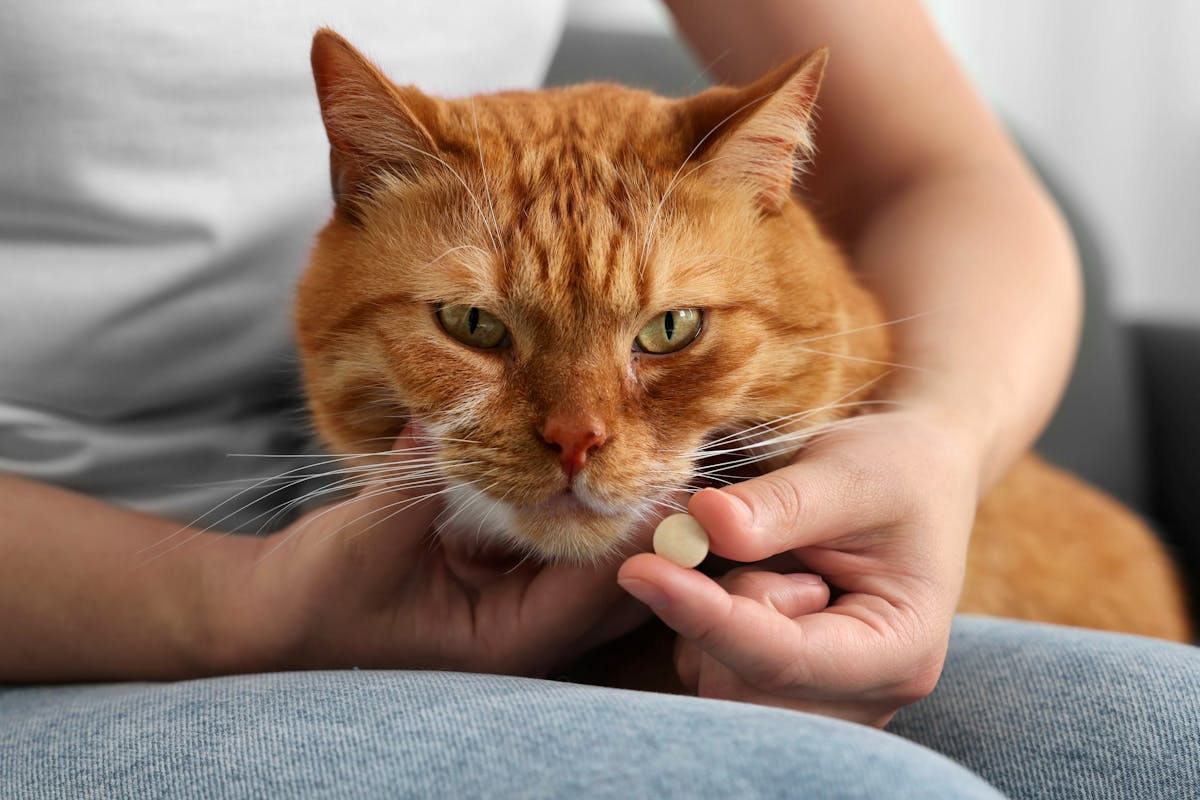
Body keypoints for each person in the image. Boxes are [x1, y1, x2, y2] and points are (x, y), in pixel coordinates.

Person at [1, 1, 1196, 798]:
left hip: (374, 554)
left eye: (665, 331)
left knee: (1168, 738)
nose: (576, 430)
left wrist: (938, 439)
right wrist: (241, 603)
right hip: (75, 620)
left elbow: (946, 169)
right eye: (477, 329)